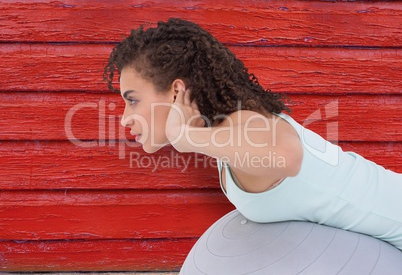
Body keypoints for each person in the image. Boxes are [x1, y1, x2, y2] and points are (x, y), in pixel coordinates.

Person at [103, 18, 402, 250]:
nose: (125, 119)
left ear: (176, 91)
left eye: (132, 99)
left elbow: (288, 157)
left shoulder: (243, 122)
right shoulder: (225, 132)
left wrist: (187, 138)